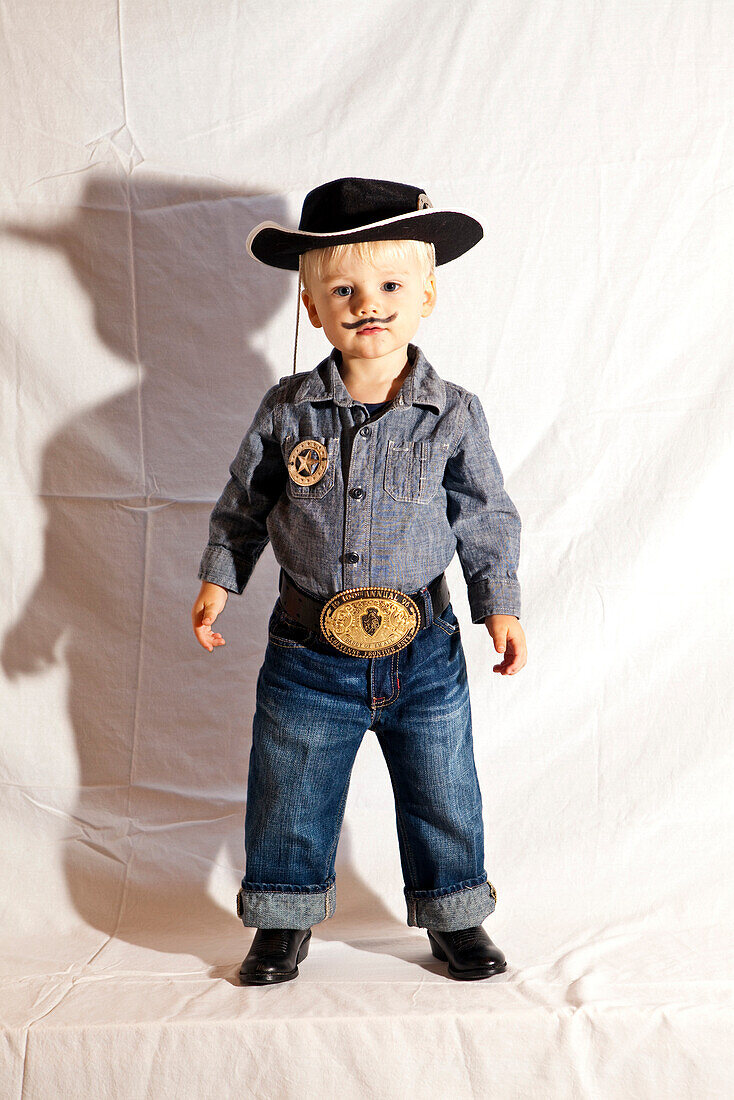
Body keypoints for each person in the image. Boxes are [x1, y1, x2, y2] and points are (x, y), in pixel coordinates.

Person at [191, 176, 527, 985]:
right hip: (308, 651)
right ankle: (282, 918)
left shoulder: (452, 414)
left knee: (441, 786)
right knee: (291, 788)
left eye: (388, 286)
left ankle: (455, 917)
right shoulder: (287, 411)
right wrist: (219, 579)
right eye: (341, 289)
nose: (366, 303)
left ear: (426, 296)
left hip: (425, 647)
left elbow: (486, 515)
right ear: (311, 308)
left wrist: (499, 604)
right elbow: (245, 503)